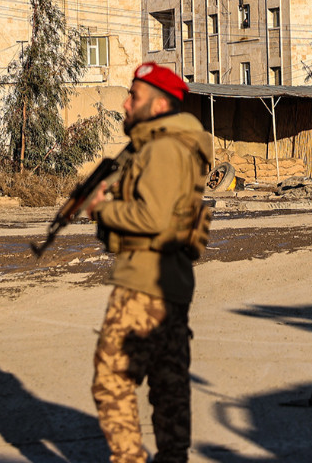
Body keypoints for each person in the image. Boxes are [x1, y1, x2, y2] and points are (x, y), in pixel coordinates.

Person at [86, 61, 213, 463]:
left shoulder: (162, 149)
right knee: (168, 384)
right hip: (172, 283)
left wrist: (105, 210)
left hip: (143, 283)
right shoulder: (177, 145)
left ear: (158, 106)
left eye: (134, 96)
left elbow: (152, 217)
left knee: (112, 380)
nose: (125, 103)